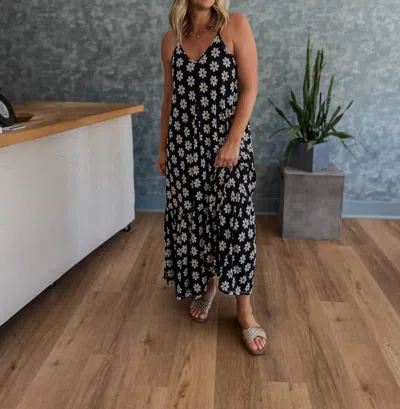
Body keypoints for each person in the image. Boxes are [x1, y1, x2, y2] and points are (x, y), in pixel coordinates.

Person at [156, 0, 267, 355]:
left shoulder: (235, 25)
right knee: (196, 222)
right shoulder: (170, 40)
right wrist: (163, 148)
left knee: (237, 224)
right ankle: (208, 287)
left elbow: (249, 89)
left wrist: (233, 141)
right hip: (184, 148)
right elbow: (170, 100)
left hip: (228, 147)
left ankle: (244, 311)